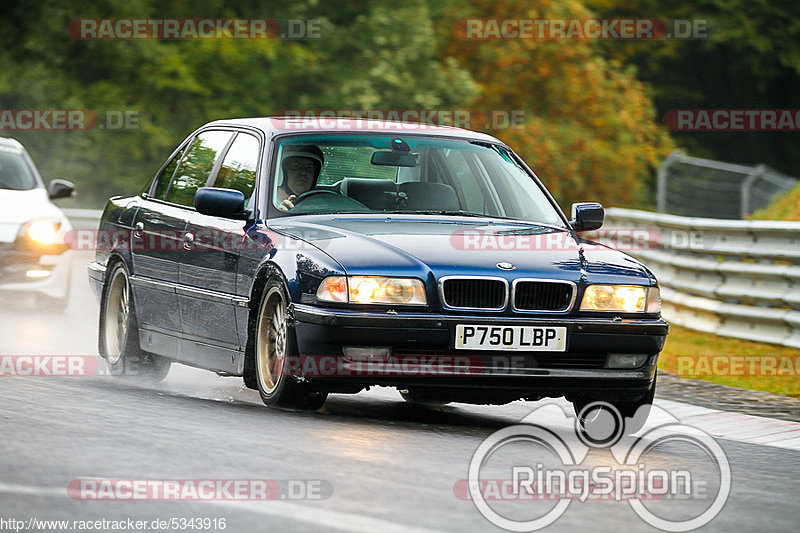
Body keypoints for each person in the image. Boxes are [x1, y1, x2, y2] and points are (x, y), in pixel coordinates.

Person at [276, 145, 324, 211]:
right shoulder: (263, 200)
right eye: (295, 166)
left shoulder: (321, 205)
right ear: (282, 170)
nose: (303, 172)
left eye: (309, 167)